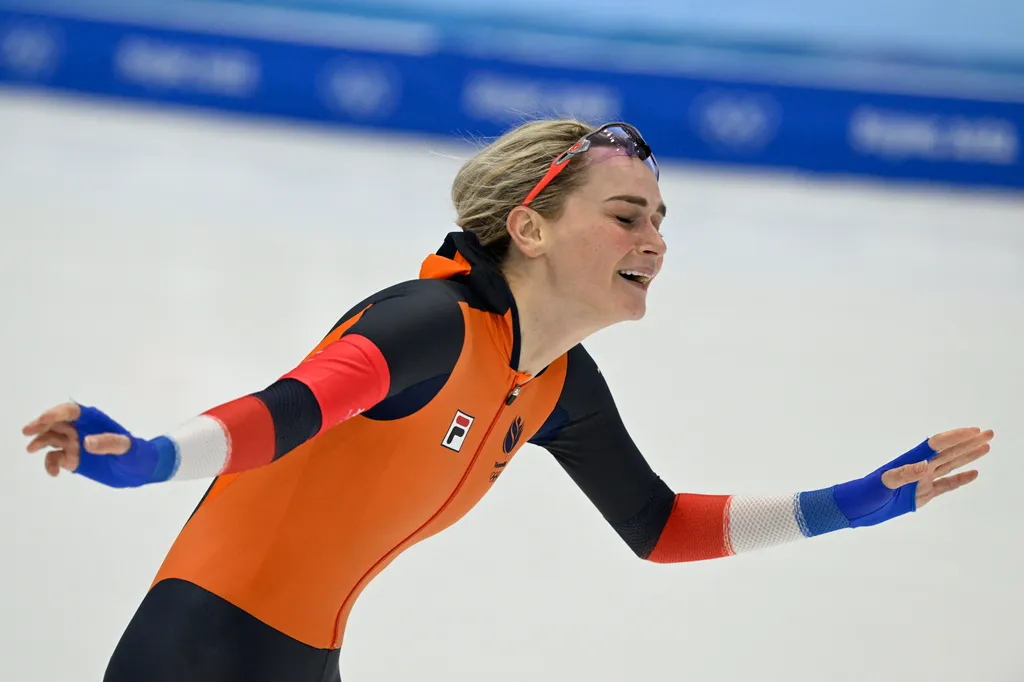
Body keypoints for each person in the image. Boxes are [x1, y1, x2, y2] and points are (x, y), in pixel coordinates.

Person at [22, 120, 993, 682]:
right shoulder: (428, 323)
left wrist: (854, 502)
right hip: (198, 654)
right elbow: (282, 413)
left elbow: (656, 524)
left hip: (301, 663)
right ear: (528, 227)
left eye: (660, 218)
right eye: (625, 214)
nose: (654, 239)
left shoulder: (555, 381)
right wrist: (148, 456)